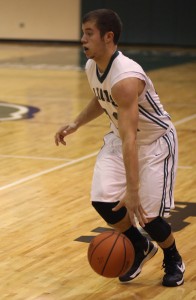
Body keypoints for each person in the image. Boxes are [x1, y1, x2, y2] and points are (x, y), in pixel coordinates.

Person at [54, 9, 185, 287]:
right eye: (83, 33)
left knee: (146, 215)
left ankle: (172, 257)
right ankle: (139, 246)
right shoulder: (93, 66)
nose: (82, 39)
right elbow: (102, 99)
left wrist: (133, 190)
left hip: (153, 142)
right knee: (104, 200)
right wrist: (76, 123)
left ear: (108, 36)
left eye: (89, 33)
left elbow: (131, 139)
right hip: (121, 137)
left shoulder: (126, 77)